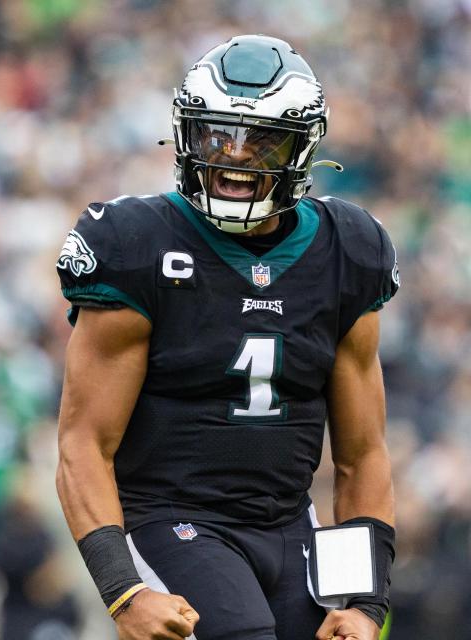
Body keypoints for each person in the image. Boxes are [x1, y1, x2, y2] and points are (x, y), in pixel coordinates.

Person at [55, 35, 399, 640]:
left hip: (290, 525)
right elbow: (83, 442)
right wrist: (123, 590)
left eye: (261, 140)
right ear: (188, 136)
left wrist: (363, 601)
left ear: (303, 147)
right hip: (170, 519)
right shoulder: (138, 243)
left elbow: (361, 454)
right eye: (217, 135)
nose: (236, 158)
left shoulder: (349, 249)